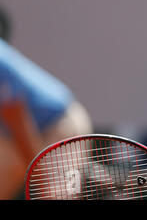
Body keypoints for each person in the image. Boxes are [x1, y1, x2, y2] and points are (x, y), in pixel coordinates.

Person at [0, 38, 93, 199]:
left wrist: (40, 174)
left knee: (53, 196)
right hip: (13, 140)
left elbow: (15, 117)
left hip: (61, 127)